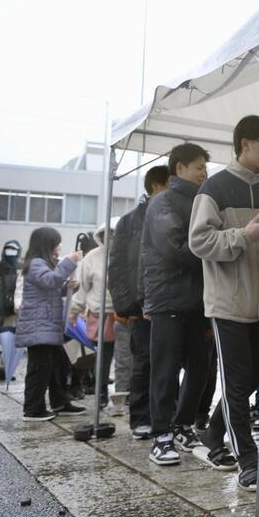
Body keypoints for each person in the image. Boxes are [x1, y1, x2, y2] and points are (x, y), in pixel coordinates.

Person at [189, 115, 259, 490]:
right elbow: (199, 243)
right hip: (227, 303)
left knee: (254, 378)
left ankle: (213, 435)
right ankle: (248, 461)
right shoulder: (214, 189)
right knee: (236, 382)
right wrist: (242, 235)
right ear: (245, 144)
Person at [141, 144, 213, 466]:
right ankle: (161, 435)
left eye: (204, 168)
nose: (203, 173)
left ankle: (183, 425)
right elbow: (174, 248)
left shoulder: (204, 201)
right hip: (168, 298)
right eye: (198, 167)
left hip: (200, 300)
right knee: (165, 370)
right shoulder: (163, 202)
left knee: (201, 367)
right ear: (179, 168)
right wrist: (217, 255)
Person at [110, 165, 170, 438]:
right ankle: (140, 418)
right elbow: (118, 265)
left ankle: (166, 417)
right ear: (157, 186)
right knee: (143, 361)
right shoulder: (130, 221)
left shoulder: (175, 215)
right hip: (140, 306)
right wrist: (128, 305)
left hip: (169, 301)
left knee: (169, 363)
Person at [15, 227, 86, 421]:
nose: (60, 246)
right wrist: (70, 262)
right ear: (48, 244)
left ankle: (60, 402)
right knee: (39, 369)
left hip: (46, 326)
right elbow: (51, 281)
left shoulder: (42, 263)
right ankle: (32, 409)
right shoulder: (36, 263)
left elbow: (50, 289)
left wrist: (68, 287)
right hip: (39, 327)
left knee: (58, 366)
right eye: (57, 242)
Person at [68, 223, 116, 409]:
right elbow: (82, 288)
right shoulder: (92, 257)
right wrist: (74, 311)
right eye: (106, 235)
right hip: (100, 313)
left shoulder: (128, 253)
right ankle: (101, 392)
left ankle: (126, 392)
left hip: (125, 313)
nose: (110, 239)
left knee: (128, 358)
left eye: (113, 235)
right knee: (103, 357)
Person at [0, 240, 21, 380]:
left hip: (12, 310)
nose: (11, 251)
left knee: (9, 341)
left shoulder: (20, 268)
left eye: (14, 249)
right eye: (8, 248)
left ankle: (4, 370)